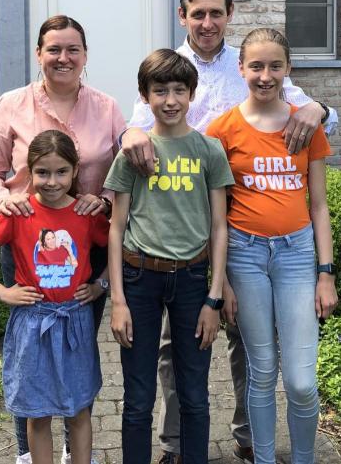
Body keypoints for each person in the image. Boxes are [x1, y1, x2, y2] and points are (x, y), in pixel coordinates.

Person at [121, 0, 339, 464]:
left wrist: (320, 108)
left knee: (248, 343)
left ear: (228, 17)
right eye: (197, 13)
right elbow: (139, 129)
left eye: (215, 13)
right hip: (182, 224)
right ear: (183, 16)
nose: (207, 22)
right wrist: (126, 137)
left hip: (241, 224)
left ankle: (246, 435)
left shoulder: (253, 60)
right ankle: (176, 444)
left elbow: (304, 110)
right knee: (177, 343)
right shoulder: (171, 67)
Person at [0, 15, 125, 464]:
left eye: (72, 49)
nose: (63, 57)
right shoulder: (13, 104)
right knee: (30, 355)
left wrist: (106, 202)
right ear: (39, 54)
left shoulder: (107, 107)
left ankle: (72, 447)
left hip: (86, 245)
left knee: (76, 351)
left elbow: (123, 172)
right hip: (25, 241)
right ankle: (26, 452)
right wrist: (4, 201)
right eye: (53, 49)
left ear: (85, 55)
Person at [207, 28, 338, 464]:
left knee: (301, 380)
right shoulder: (221, 131)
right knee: (261, 371)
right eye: (256, 66)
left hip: (298, 254)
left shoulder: (306, 125)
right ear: (241, 68)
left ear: (289, 69)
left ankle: (303, 458)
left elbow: (319, 206)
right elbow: (216, 216)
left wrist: (326, 274)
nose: (265, 76)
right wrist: (221, 280)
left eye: (275, 66)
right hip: (244, 255)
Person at [105, 49, 234, 464]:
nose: (171, 100)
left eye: (179, 89)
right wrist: (119, 302)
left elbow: (219, 226)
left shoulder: (209, 151)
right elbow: (116, 228)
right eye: (160, 91)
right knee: (138, 396)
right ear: (145, 96)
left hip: (193, 282)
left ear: (192, 93)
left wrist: (214, 298)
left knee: (195, 393)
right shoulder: (133, 153)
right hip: (141, 278)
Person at [0, 130, 110, 464]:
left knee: (79, 409)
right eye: (42, 172)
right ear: (29, 172)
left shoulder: (86, 214)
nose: (52, 181)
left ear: (75, 172)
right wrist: (2, 291)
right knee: (37, 412)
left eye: (61, 172)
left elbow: (118, 246)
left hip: (75, 321)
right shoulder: (19, 213)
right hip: (32, 323)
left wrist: (102, 284)